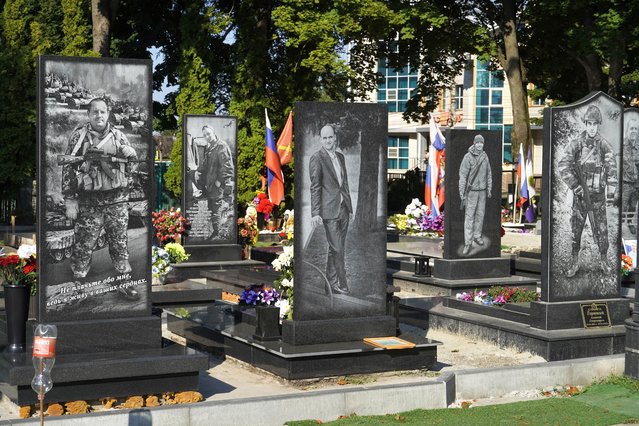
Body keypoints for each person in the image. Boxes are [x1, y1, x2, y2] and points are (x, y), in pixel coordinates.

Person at [61, 98, 138, 297]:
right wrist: (70, 200)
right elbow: (68, 168)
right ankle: (79, 283)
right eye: (94, 112)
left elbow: (131, 170)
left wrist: (132, 156)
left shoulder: (119, 136)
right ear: (89, 115)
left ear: (108, 113)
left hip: (117, 200)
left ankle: (124, 281)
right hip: (88, 202)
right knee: (83, 244)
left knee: (119, 243)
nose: (99, 115)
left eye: (102, 112)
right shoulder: (79, 136)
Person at [558, 104, 618, 277]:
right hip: (580, 197)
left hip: (598, 198)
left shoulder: (604, 145)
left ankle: (603, 260)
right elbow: (563, 165)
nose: (592, 127)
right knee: (576, 230)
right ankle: (574, 261)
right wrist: (576, 186)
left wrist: (611, 193)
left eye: (595, 124)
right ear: (585, 124)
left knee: (601, 231)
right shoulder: (576, 144)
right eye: (589, 123)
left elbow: (612, 170)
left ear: (598, 125)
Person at [309, 124, 353, 295]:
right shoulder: (317, 158)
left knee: (335, 248)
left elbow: (345, 183)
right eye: (324, 138)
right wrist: (315, 213)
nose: (328, 140)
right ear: (321, 139)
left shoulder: (340, 157)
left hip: (343, 209)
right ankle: (342, 284)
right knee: (337, 248)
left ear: (335, 137)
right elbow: (315, 187)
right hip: (329, 211)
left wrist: (350, 207)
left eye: (330, 137)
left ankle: (330, 285)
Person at [195, 125, 234, 239]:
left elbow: (228, 167)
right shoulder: (209, 148)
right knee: (212, 209)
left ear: (213, 132)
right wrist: (197, 172)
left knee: (217, 209)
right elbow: (205, 166)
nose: (207, 136)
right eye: (205, 135)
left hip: (217, 185)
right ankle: (216, 232)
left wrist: (219, 181)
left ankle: (219, 234)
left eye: (208, 133)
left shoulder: (221, 146)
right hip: (210, 185)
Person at [458, 134, 492, 256]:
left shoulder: (485, 156)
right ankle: (468, 242)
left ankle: (477, 236)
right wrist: (462, 193)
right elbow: (462, 176)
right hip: (471, 192)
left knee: (480, 215)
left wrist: (489, 189)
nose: (479, 145)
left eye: (481, 143)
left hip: (482, 191)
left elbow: (489, 174)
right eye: (477, 143)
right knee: (469, 217)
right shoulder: (468, 157)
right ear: (474, 143)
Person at [622, 117, 639, 235]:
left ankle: (629, 223)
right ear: (627, 130)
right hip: (625, 183)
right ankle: (619, 230)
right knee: (622, 208)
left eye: (636, 129)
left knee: (633, 207)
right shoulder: (622, 145)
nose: (634, 131)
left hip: (636, 184)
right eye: (631, 128)